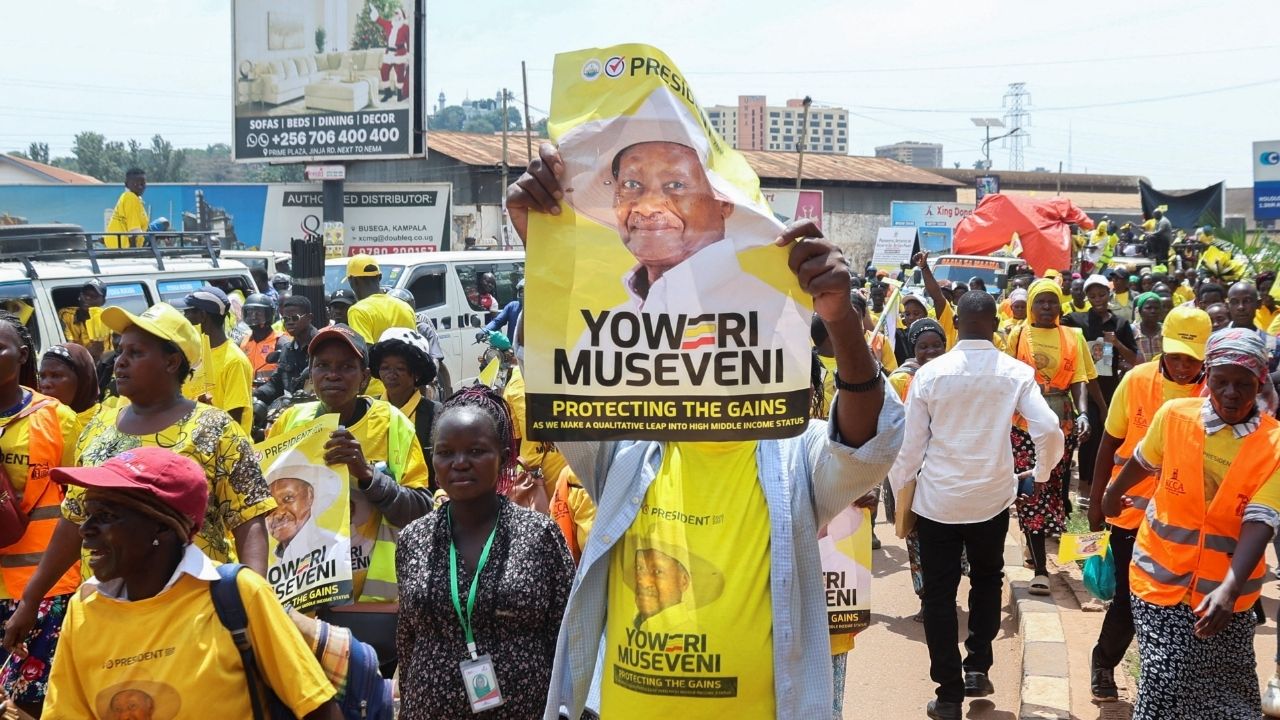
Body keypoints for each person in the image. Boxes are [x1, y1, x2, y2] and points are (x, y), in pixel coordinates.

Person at [509, 143, 904, 719]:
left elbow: (869, 445)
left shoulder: (793, 455)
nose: (702, 344)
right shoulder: (622, 446)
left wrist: (840, 319)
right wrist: (542, 246)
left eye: (721, 327)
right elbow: (564, 377)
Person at [1, 302, 275, 665]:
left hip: (193, 607)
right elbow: (73, 520)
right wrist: (32, 599)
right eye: (120, 350)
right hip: (110, 607)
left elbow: (249, 518)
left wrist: (253, 599)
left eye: (136, 352)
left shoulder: (215, 429)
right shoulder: (98, 429)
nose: (120, 360)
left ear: (172, 362)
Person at [40, 447, 343, 719]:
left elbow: (317, 709)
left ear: (162, 525)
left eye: (105, 516)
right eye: (88, 515)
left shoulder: (237, 595)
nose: (85, 530)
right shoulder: (84, 609)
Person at [889, 291, 1064, 720]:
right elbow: (1049, 427)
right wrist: (1039, 476)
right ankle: (978, 669)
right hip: (992, 498)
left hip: (937, 502)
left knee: (939, 595)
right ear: (994, 325)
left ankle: (948, 695)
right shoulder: (1015, 372)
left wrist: (901, 497)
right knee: (987, 580)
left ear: (956, 323)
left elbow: (909, 450)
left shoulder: (930, 375)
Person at [1101, 329, 1280, 719]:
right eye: (1221, 382)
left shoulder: (1275, 445)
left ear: (1260, 382)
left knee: (1227, 691)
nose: (1231, 392)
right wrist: (1113, 492)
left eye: (1243, 384)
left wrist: (1229, 590)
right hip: (1159, 579)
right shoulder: (1175, 416)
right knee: (1166, 679)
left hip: (1227, 591)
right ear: (1208, 377)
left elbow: (1261, 521)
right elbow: (1145, 460)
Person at [395, 386, 574, 719]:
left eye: (476, 451)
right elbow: (408, 640)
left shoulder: (539, 534)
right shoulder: (413, 539)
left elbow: (567, 634)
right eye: (446, 452)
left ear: (503, 456)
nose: (460, 463)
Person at [268, 324, 431, 676]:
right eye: (323, 366)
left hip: (375, 607)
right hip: (306, 602)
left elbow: (421, 510)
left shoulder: (392, 425)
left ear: (364, 376)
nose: (333, 375)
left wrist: (367, 475)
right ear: (310, 374)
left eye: (346, 366)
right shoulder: (289, 423)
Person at [1084, 306, 1210, 703]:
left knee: (1180, 602)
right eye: (1175, 356)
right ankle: (1104, 661)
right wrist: (1096, 501)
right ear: (1161, 350)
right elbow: (1109, 442)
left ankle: (1171, 681)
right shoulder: (1137, 380)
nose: (1183, 366)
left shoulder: (1214, 391)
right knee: (1128, 597)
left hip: (1184, 521)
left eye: (1192, 359)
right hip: (1130, 514)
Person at [0, 314, 80, 717]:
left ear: (22, 355)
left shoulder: (55, 417)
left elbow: (79, 503)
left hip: (43, 589)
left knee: (33, 703)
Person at [1007, 279, 1095, 593]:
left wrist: (1084, 412)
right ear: (1030, 305)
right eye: (1040, 302)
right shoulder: (1017, 335)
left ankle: (1041, 543)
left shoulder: (1073, 336)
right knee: (1032, 488)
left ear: (1060, 306)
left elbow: (1080, 379)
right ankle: (1041, 570)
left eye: (1052, 302)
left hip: (1061, 424)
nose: (1046, 308)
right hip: (1023, 425)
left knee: (1055, 490)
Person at [886, 317, 953, 621]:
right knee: (916, 535)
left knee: (949, 538)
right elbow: (888, 422)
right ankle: (927, 598)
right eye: (923, 346)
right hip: (911, 470)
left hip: (947, 469)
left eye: (936, 345)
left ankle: (945, 594)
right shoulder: (900, 380)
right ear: (913, 348)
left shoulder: (955, 374)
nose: (931, 351)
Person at [1064, 274, 1136, 508]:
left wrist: (1116, 344)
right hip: (1085, 387)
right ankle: (1084, 485)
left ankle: (1103, 482)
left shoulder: (1121, 324)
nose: (1097, 299)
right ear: (1086, 297)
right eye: (1092, 295)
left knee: (1109, 437)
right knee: (1089, 435)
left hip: (1110, 389)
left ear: (1109, 294)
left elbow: (1134, 359)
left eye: (1101, 294)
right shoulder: (1077, 320)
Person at [369, 328, 441, 491]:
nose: (391, 375)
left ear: (416, 374)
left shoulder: (435, 414)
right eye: (385, 368)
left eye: (400, 369)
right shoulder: (369, 409)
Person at [182, 286, 254, 434]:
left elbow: (233, 420)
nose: (184, 316)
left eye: (189, 311)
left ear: (202, 316)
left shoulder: (234, 361)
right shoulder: (195, 353)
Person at [343, 255, 416, 399]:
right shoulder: (404, 307)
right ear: (380, 277)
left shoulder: (358, 310)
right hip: (407, 388)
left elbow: (365, 353)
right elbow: (415, 349)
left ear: (353, 281)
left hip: (376, 392)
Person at [253, 295, 315, 426]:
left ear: (309, 318)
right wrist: (255, 394)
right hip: (290, 414)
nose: (289, 322)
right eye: (285, 319)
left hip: (316, 415)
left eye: (295, 318)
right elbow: (276, 383)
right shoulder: (287, 349)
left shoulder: (322, 345)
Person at [37, 343, 100, 435]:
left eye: (56, 376)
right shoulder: (37, 423)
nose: (45, 384)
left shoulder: (109, 423)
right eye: (42, 376)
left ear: (82, 378)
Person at [58, 279, 111, 361]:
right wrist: (90, 351)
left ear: (103, 302)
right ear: (79, 296)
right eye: (85, 294)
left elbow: (109, 356)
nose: (87, 298)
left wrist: (98, 351)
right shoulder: (67, 315)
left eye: (94, 296)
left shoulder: (107, 321)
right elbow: (69, 352)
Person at [240, 292, 282, 388]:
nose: (253, 317)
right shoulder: (243, 341)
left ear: (269, 314)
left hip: (270, 394)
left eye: (258, 313)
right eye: (249, 313)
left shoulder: (280, 342)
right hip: (246, 393)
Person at [370, 2, 410, 102]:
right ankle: (388, 93)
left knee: (400, 74)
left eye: (397, 13)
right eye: (395, 13)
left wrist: (409, 55)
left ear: (401, 15)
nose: (395, 15)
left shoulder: (405, 27)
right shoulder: (389, 24)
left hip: (400, 54)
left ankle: (400, 94)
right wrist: (375, 13)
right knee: (384, 70)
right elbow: (379, 20)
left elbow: (409, 41)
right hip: (389, 53)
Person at [104, 168, 148, 249]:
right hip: (124, 246)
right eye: (136, 183)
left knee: (163, 223)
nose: (140, 186)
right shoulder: (130, 197)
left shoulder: (135, 199)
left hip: (118, 244)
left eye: (143, 183)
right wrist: (133, 252)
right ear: (126, 184)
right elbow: (133, 231)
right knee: (162, 223)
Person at [481, 279, 522, 343]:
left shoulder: (539, 311)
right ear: (518, 293)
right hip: (512, 349)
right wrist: (484, 331)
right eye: (522, 292)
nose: (525, 294)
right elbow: (497, 322)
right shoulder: (512, 307)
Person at [1131, 292, 1164, 363]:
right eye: (1148, 308)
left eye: (1156, 308)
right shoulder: (1131, 330)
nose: (1153, 311)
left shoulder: (1166, 330)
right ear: (1140, 311)